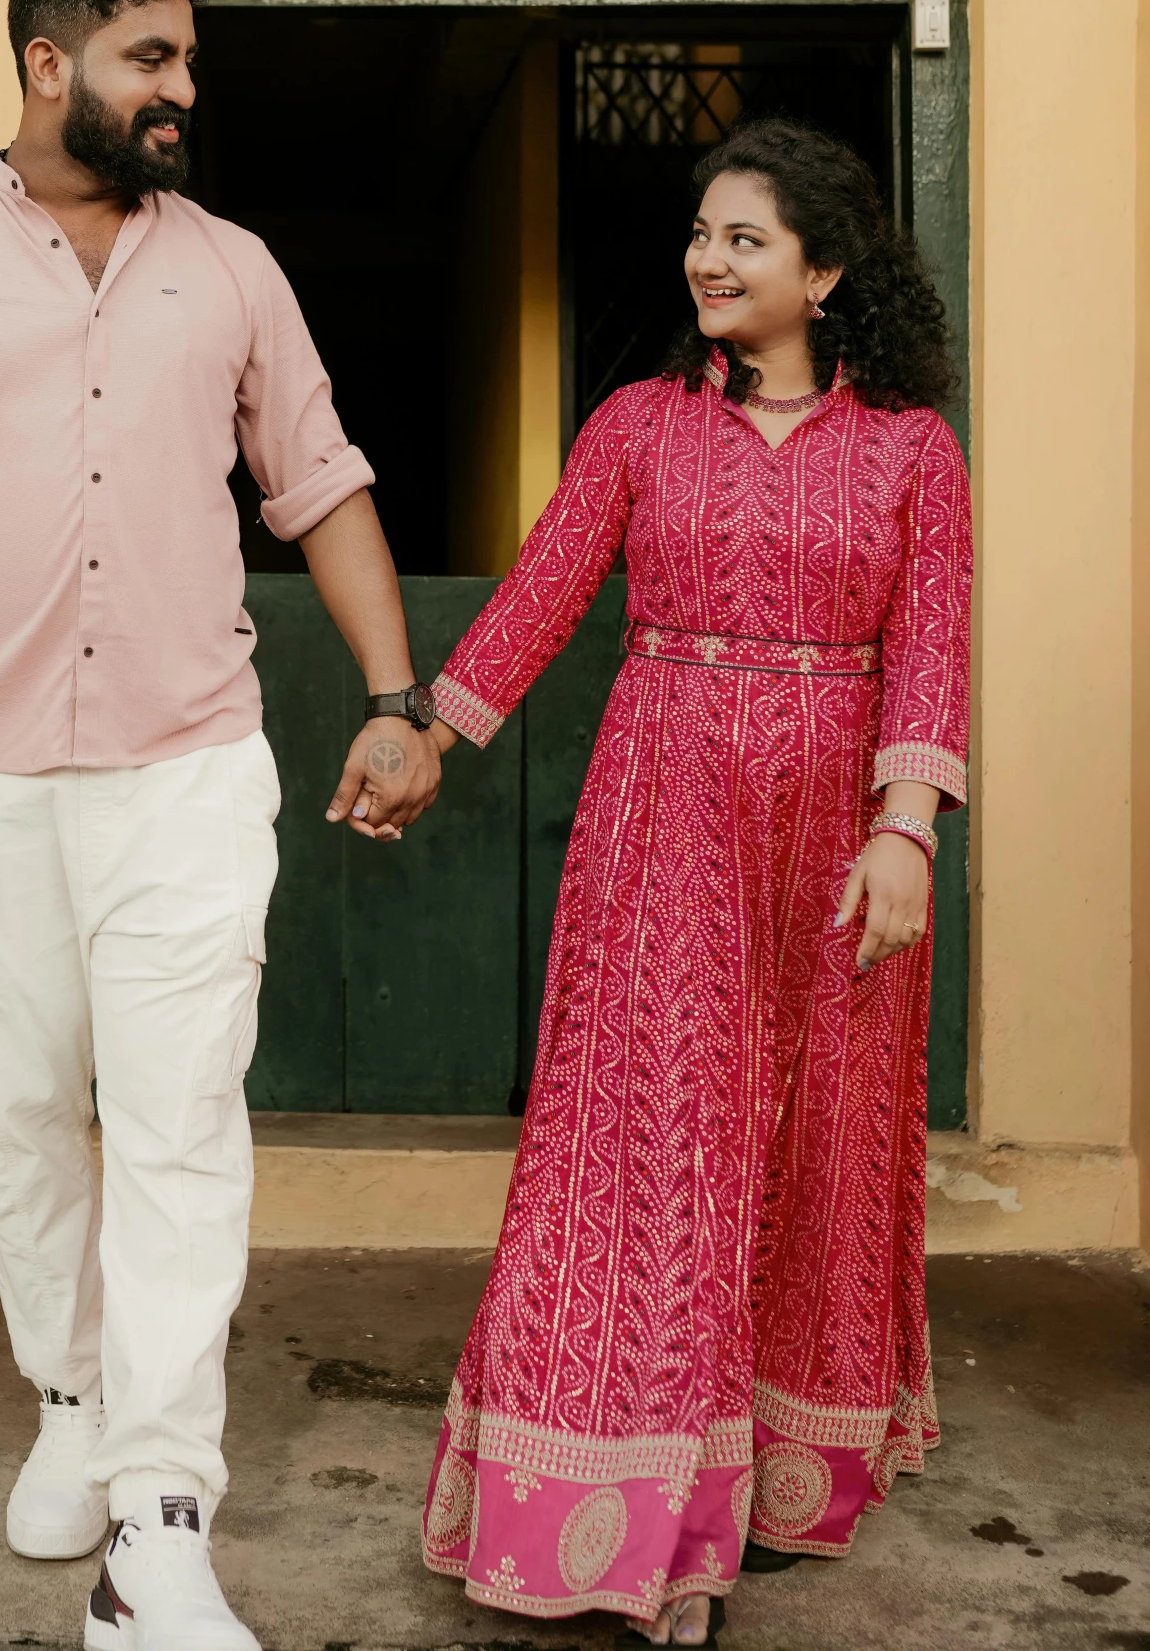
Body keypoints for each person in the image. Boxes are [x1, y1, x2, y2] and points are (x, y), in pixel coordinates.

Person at [0, 0, 444, 1651]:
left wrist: (393, 692)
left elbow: (321, 479)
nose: (180, 90)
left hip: (186, 771)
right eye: (151, 58)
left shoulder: (232, 267)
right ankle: (68, 1402)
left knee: (181, 1122)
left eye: (185, 60)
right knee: (20, 1109)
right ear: (48, 61)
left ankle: (159, 1519)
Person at [417, 119, 971, 1648]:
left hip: (840, 839)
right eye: (700, 234)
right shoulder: (640, 426)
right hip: (662, 811)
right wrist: (429, 733)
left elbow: (929, 643)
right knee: (653, 1148)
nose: (707, 260)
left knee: (820, 1137)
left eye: (744, 238)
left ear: (824, 268)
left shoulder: (909, 447)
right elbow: (538, 593)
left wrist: (905, 830)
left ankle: (776, 1483)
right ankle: (630, 1518)